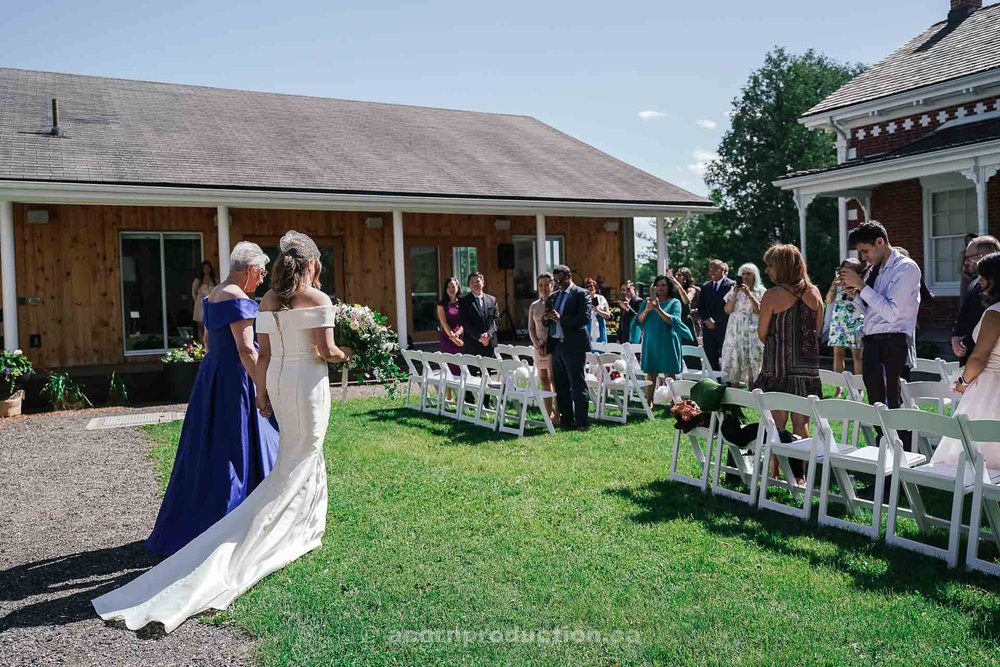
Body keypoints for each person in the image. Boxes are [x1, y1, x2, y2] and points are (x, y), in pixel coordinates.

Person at [94, 231, 353, 633]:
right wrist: (352, 352)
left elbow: (252, 349)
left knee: (263, 452)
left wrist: (265, 390)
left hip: (239, 379)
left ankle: (297, 521)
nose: (261, 276)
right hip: (263, 381)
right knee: (267, 451)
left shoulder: (235, 297)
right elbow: (266, 350)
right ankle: (264, 525)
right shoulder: (280, 299)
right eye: (258, 270)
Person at [144, 243, 279, 557]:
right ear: (249, 269)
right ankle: (233, 520)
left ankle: (194, 519)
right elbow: (247, 350)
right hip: (234, 380)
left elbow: (206, 341)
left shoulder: (213, 294)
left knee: (208, 448)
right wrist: (262, 388)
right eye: (260, 272)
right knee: (235, 447)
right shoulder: (238, 298)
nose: (261, 279)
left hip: (210, 378)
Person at [839, 221, 921, 413]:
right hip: (873, 342)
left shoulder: (906, 268)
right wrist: (855, 295)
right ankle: (882, 442)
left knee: (894, 406)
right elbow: (872, 313)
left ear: (879, 241)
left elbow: (892, 313)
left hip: (894, 343)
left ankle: (903, 443)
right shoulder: (876, 270)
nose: (863, 257)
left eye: (865, 251)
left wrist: (862, 286)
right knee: (876, 405)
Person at [754, 243, 823, 449]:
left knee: (777, 422)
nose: (767, 270)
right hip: (806, 367)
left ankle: (775, 470)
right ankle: (801, 472)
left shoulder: (772, 295)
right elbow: (817, 331)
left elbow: (762, 333)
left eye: (770, 265)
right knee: (802, 423)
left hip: (778, 366)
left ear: (782, 266)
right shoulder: (815, 292)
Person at [934, 252, 1000, 467]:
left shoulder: (994, 314)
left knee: (978, 447)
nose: (979, 282)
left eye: (983, 277)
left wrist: (962, 382)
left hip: (990, 386)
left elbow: (979, 357)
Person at [544, 264, 592, 430]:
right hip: (557, 344)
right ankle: (567, 420)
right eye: (555, 280)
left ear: (569, 276)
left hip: (574, 345)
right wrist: (547, 317)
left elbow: (584, 319)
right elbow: (547, 322)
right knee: (561, 384)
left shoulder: (581, 293)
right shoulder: (554, 296)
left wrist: (561, 318)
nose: (558, 283)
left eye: (560, 280)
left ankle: (581, 422)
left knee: (577, 384)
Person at [634, 274, 692, 404]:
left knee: (669, 373)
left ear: (669, 287)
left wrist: (658, 309)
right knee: (651, 372)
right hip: (651, 341)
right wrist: (648, 309)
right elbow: (639, 320)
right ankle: (649, 401)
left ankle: (675, 404)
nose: (660, 288)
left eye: (663, 285)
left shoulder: (674, 302)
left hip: (667, 341)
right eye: (658, 285)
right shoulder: (647, 302)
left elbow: (673, 321)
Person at [952, 236, 1000, 366]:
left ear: (984, 255)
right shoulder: (973, 284)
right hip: (968, 357)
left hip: (988, 361)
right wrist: (955, 337)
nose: (966, 263)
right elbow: (963, 314)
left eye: (969, 257)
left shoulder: (996, 288)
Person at [720, 263, 765, 387]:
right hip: (735, 329)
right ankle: (735, 399)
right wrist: (735, 294)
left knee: (752, 361)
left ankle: (754, 395)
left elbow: (760, 311)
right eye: (743, 274)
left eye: (748, 274)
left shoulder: (761, 291)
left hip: (752, 331)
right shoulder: (734, 290)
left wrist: (749, 294)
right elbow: (728, 310)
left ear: (755, 276)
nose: (745, 277)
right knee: (735, 359)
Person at [825, 257, 865, 394]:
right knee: (837, 354)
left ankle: (859, 389)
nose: (848, 271)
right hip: (839, 322)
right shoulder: (837, 283)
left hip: (856, 321)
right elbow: (828, 300)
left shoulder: (861, 283)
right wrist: (833, 286)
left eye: (853, 269)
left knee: (857, 356)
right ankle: (838, 386)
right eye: (846, 268)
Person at [528, 272, 559, 422]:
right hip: (538, 347)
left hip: (552, 345)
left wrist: (544, 342)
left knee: (554, 378)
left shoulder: (556, 302)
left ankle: (558, 413)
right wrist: (536, 343)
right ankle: (548, 413)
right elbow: (531, 328)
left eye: (547, 285)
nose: (544, 288)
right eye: (541, 285)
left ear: (552, 285)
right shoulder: (534, 305)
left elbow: (555, 326)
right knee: (543, 378)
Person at [700, 259, 735, 371]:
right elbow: (702, 307)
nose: (712, 272)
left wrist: (715, 320)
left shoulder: (731, 285)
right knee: (711, 358)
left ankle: (728, 385)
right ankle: (714, 385)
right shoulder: (706, 287)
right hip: (708, 329)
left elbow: (729, 307)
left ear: (723, 270)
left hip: (724, 327)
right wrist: (706, 320)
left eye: (716, 269)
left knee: (727, 358)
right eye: (710, 270)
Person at [457, 272, 499, 359]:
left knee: (489, 371)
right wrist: (479, 337)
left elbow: (496, 320)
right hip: (472, 345)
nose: (475, 284)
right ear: (469, 285)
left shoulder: (492, 300)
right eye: (472, 282)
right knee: (471, 372)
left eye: (478, 281)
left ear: (483, 283)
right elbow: (464, 322)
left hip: (489, 344)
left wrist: (489, 335)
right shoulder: (463, 300)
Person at [436, 277, 464, 378]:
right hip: (447, 338)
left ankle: (462, 392)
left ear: (457, 287)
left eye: (453, 286)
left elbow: (464, 322)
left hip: (461, 336)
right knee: (448, 366)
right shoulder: (441, 304)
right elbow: (444, 323)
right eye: (448, 287)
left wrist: (458, 334)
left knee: (461, 366)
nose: (451, 289)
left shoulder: (463, 302)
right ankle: (448, 394)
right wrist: (454, 338)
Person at [191, 261, 217, 344]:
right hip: (200, 305)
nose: (207, 270)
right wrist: (197, 301)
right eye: (205, 268)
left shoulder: (214, 281)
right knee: (200, 326)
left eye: (208, 268)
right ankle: (201, 345)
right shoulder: (198, 281)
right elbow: (193, 292)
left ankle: (210, 344)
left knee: (209, 326)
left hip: (211, 305)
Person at [675, 268, 701, 340]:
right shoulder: (672, 290)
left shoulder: (691, 289)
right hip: (675, 319)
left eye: (679, 275)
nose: (676, 277)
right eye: (675, 275)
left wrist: (678, 286)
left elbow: (686, 301)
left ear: (686, 277)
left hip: (685, 320)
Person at [583, 277, 612, 344]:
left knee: (601, 349)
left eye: (592, 286)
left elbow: (608, 316)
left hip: (600, 326)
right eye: (588, 286)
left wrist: (598, 311)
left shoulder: (601, 298)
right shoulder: (582, 300)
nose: (590, 288)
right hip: (588, 327)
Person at [959, 232, 978, 308]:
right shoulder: (963, 254)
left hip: (977, 278)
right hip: (967, 279)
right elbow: (959, 270)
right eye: (967, 240)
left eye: (971, 240)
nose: (969, 242)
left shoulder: (979, 253)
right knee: (964, 300)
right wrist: (969, 278)